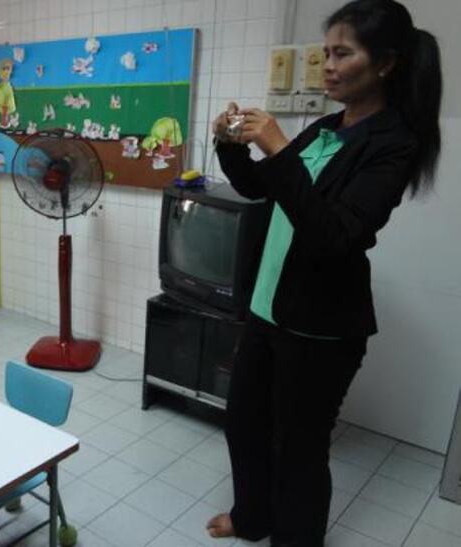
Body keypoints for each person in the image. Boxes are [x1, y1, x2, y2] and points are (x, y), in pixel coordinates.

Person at [206, 1, 442, 545]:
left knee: (299, 449)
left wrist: (279, 148)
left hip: (319, 328)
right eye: (325, 54)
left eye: (342, 54)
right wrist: (229, 143)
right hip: (267, 310)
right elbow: (260, 188)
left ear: (385, 63)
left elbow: (336, 236)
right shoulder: (325, 130)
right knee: (244, 423)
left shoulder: (394, 144)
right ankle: (252, 518)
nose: (328, 67)